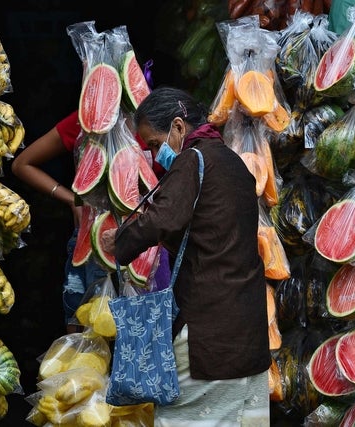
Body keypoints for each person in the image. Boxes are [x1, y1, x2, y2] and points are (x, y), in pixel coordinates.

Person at [101, 87, 271, 426]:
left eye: (153, 144)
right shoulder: (232, 162)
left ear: (179, 127)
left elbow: (162, 218)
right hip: (248, 333)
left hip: (210, 334)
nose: (154, 156)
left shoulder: (193, 160)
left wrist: (119, 241)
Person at [11, 110, 109, 334]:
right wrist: (72, 199)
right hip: (88, 240)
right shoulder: (84, 120)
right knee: (79, 330)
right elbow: (22, 164)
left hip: (139, 244)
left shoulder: (152, 121)